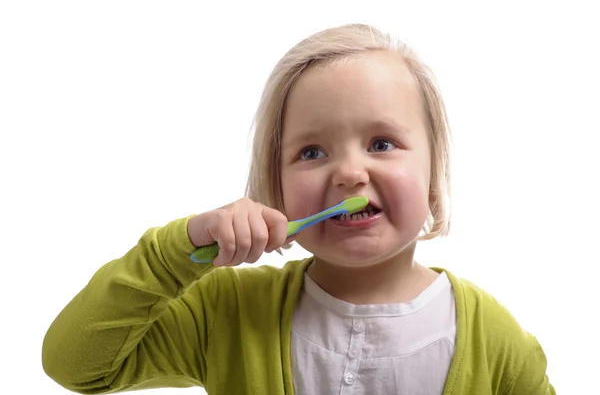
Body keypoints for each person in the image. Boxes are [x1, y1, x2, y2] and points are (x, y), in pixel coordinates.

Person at [42, 23, 555, 395]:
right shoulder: (225, 312)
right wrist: (178, 249)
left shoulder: (496, 340)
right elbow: (77, 365)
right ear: (276, 186)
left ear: (433, 172)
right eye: (311, 152)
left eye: (381, 143)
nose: (350, 172)